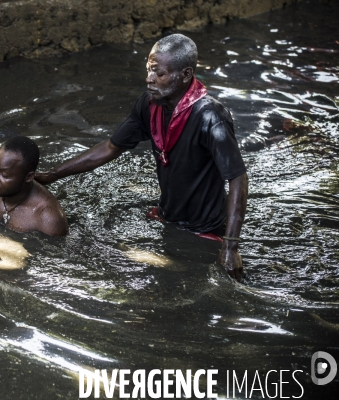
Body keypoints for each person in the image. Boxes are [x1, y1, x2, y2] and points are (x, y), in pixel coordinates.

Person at [35, 34, 248, 281]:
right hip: (167, 216)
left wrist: (231, 246)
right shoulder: (148, 105)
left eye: (159, 73)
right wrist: (52, 175)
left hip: (206, 229)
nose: (149, 79)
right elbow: (110, 147)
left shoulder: (212, 117)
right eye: (148, 70)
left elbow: (238, 179)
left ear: (186, 75)